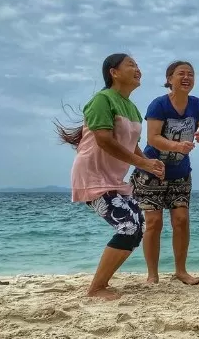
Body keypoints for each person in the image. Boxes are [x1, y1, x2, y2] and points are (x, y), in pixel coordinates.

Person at [54, 53, 164, 300]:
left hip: (114, 179)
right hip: (92, 176)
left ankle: (101, 283)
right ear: (114, 72)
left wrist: (147, 162)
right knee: (127, 227)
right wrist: (140, 162)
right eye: (131, 65)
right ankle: (96, 288)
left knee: (137, 227)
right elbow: (104, 140)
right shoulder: (102, 100)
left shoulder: (133, 108)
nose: (138, 69)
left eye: (138, 65)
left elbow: (131, 143)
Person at [130, 61, 199, 285]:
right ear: (169, 79)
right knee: (154, 222)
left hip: (180, 173)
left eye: (191, 74)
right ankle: (152, 275)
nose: (187, 77)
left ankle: (181, 271)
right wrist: (177, 146)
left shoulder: (196, 105)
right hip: (153, 171)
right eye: (181, 74)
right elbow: (153, 138)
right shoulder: (158, 104)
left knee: (181, 220)